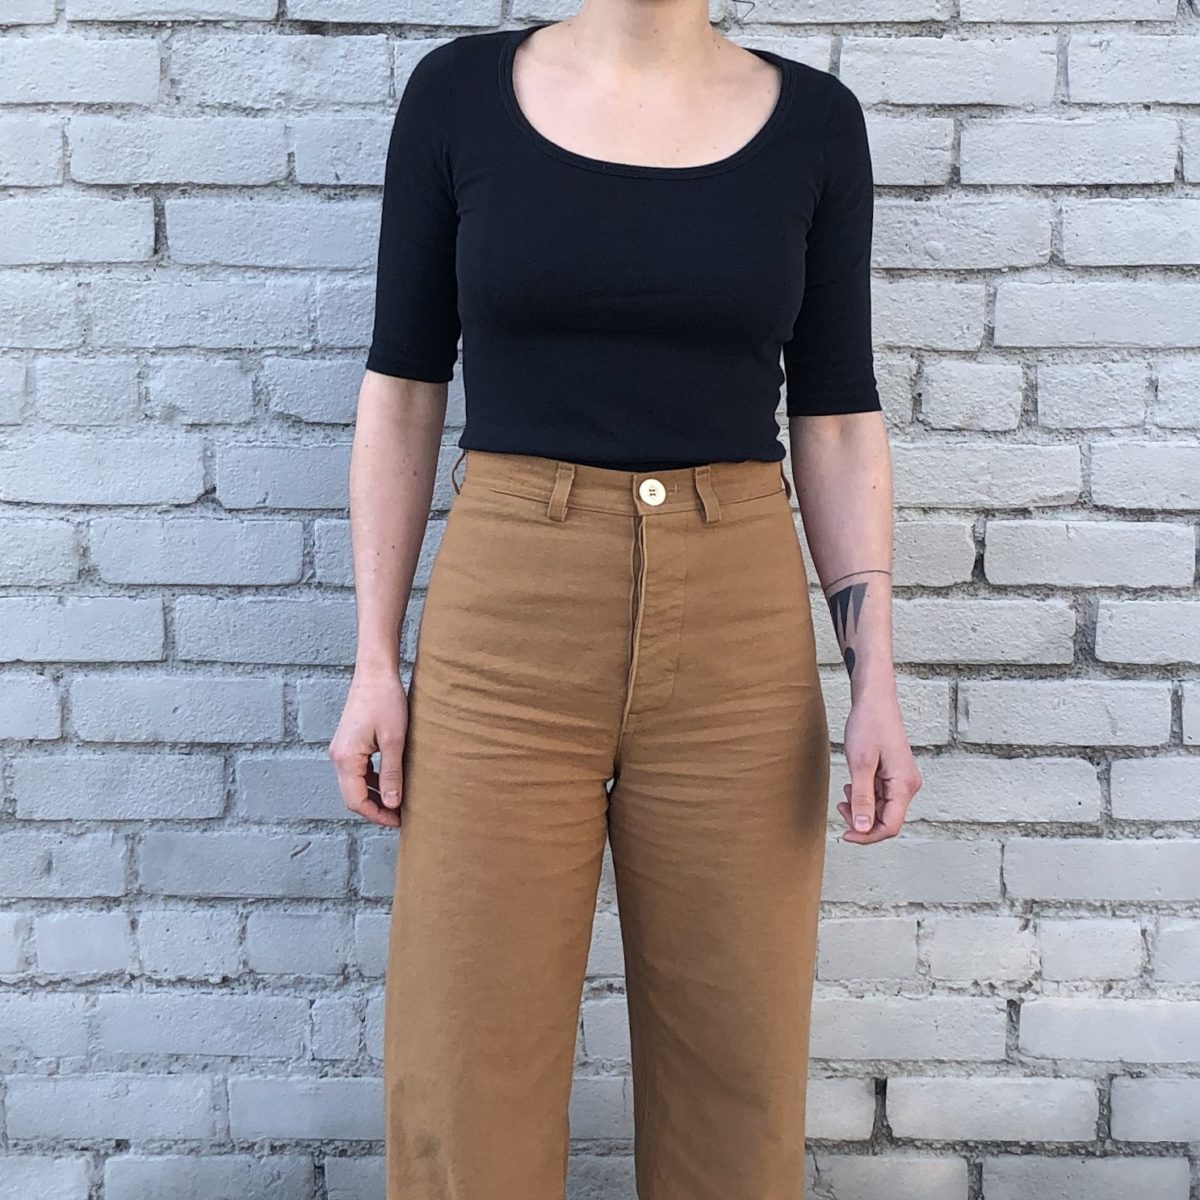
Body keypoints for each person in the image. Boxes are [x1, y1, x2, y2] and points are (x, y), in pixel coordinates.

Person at [329, 6, 923, 1198]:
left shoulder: (815, 123)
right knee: (466, 1059)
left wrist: (876, 684)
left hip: (739, 631)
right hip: (507, 621)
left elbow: (838, 415)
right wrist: (374, 662)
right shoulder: (459, 97)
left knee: (737, 1066)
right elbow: (402, 389)